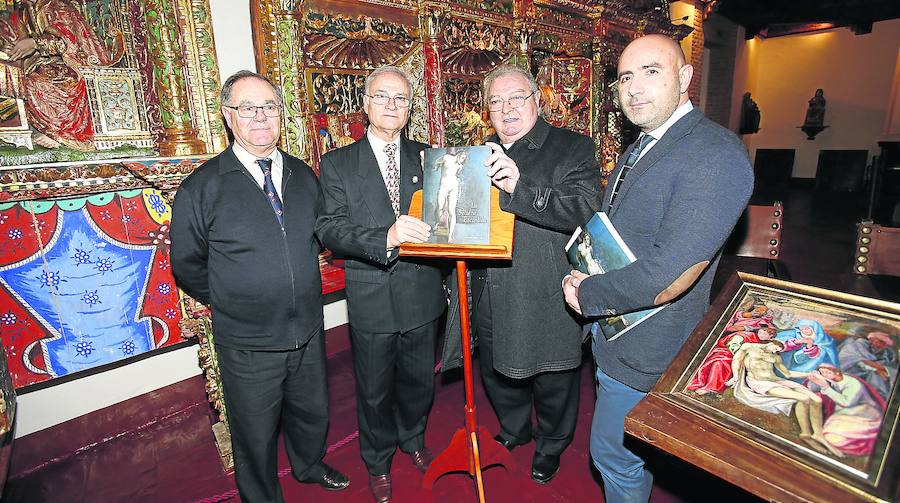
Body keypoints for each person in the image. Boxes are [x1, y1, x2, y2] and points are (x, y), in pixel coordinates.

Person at [562, 34, 753, 502]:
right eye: (626, 76)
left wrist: (587, 294)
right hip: (618, 331)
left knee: (613, 455)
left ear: (685, 78)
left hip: (652, 346)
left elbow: (670, 277)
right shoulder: (642, 145)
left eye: (652, 71)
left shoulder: (714, 154)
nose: (635, 87)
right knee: (626, 453)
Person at [170, 70, 349, 503]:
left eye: (269, 106)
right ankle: (261, 496)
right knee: (254, 429)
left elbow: (320, 239)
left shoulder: (305, 176)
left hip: (306, 326)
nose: (260, 117)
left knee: (311, 411)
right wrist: (232, 298)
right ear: (228, 116)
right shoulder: (202, 186)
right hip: (247, 339)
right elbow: (187, 262)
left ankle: (308, 465)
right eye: (248, 108)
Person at [443, 63, 600, 485]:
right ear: (487, 112)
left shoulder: (572, 147)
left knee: (553, 374)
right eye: (496, 101)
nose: (507, 108)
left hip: (545, 288)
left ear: (536, 100)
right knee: (497, 368)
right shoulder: (476, 155)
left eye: (516, 98)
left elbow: (585, 211)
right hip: (487, 286)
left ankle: (551, 444)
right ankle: (514, 429)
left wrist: (520, 187)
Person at [315, 65, 446, 503]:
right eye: (383, 97)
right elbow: (329, 229)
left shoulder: (430, 158)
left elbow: (447, 220)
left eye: (402, 99)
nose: (392, 105)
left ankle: (413, 439)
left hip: (423, 293)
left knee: (419, 383)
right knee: (373, 391)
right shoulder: (338, 164)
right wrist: (385, 237)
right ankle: (377, 461)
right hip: (371, 294)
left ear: (410, 109)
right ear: (366, 104)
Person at [0, 0, 122, 150]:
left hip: (73, 67)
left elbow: (67, 41)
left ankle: (59, 132)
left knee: (35, 82)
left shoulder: (55, 6)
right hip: (39, 65)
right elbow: (16, 39)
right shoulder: (23, 11)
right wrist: (11, 48)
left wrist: (35, 43)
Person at [727, 341, 841, 457]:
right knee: (804, 398)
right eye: (775, 349)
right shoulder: (749, 347)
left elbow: (787, 373)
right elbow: (737, 360)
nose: (775, 352)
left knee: (817, 400)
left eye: (778, 351)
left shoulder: (775, 357)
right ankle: (805, 434)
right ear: (771, 343)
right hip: (761, 383)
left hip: (776, 380)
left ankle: (818, 434)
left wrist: (807, 375)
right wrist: (735, 377)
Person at [807, 364, 886, 456]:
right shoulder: (829, 380)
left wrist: (826, 387)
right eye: (822, 373)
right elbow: (813, 389)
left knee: (834, 436)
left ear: (837, 372)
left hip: (864, 414)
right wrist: (813, 379)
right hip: (845, 413)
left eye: (828, 372)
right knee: (830, 433)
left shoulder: (852, 383)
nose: (825, 374)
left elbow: (846, 403)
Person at [687, 326, 776, 395]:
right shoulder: (746, 335)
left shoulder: (761, 343)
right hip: (725, 351)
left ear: (770, 337)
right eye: (762, 332)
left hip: (738, 357)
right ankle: (710, 387)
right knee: (720, 363)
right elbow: (732, 345)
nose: (762, 335)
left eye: (767, 335)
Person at [838, 331, 897, 400]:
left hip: (867, 374)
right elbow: (853, 359)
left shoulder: (886, 353)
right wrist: (876, 368)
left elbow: (886, 365)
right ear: (872, 339)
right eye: (881, 342)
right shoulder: (854, 346)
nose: (883, 346)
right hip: (849, 372)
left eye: (885, 344)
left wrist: (881, 369)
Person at [434, 149, 466, 240]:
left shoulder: (460, 166)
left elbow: (457, 176)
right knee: (440, 206)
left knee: (452, 211)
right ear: (459, 154)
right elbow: (437, 161)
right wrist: (436, 167)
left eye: (464, 159)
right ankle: (437, 223)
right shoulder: (447, 158)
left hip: (454, 187)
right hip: (444, 186)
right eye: (463, 157)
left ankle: (450, 235)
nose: (463, 160)